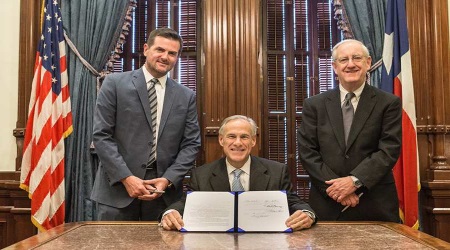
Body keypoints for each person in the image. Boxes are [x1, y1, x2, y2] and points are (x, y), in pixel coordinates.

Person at [91, 27, 201, 221]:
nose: (165, 57)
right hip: (118, 191)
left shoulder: (186, 96)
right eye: (160, 50)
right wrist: (127, 178)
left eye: (172, 53)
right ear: (146, 49)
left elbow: (191, 144)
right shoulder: (114, 84)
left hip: (162, 195)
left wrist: (168, 180)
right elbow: (102, 136)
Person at [297, 39, 402, 222]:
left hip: (375, 202)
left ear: (368, 62)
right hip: (327, 202)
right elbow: (307, 152)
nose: (351, 64)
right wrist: (338, 190)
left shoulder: (388, 103)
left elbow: (388, 150)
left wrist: (354, 182)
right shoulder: (314, 104)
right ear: (334, 67)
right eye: (344, 60)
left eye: (356, 58)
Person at [158, 115, 316, 231]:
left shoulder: (277, 171)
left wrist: (307, 214)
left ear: (253, 141)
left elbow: (293, 202)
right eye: (231, 136)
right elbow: (186, 204)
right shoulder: (201, 174)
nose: (238, 143)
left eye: (244, 137)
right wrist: (170, 213)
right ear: (221, 140)